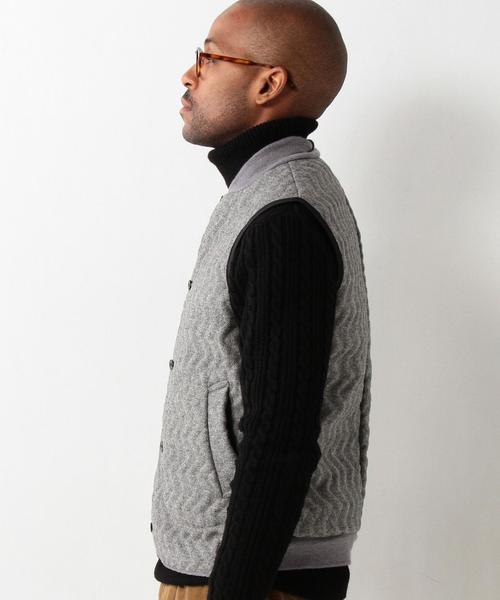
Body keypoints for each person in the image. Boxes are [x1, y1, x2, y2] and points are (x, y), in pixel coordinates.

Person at [150, 1, 373, 599]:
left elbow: (281, 434)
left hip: (251, 577)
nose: (189, 74)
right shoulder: (268, 195)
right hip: (235, 567)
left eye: (209, 57)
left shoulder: (284, 214)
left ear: (268, 84)